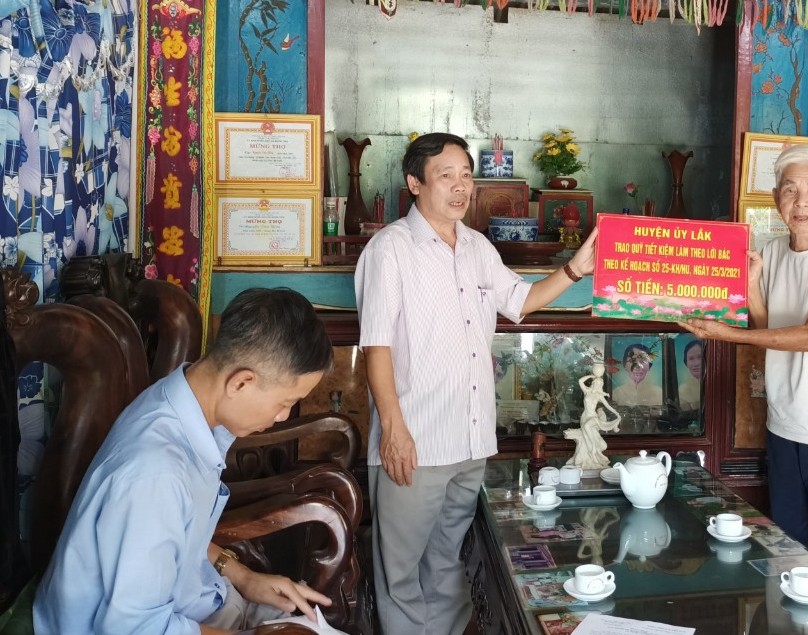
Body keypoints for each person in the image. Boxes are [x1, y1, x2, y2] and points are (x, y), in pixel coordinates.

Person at [354, 132, 597, 634]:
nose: (461, 186)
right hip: (415, 442)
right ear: (415, 183)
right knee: (401, 574)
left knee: (447, 561)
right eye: (447, 176)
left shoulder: (477, 247)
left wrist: (575, 269)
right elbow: (376, 346)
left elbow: (521, 301)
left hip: (469, 440)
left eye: (466, 175)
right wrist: (393, 430)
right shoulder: (390, 249)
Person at [34, 288, 335, 634]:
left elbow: (178, 534)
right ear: (241, 383)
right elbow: (136, 629)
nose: (283, 416)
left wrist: (243, 576)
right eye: (285, 402)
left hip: (200, 601)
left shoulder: (181, 405)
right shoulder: (156, 474)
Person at [682, 143, 808, 593]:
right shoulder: (772, 252)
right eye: (790, 190)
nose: (801, 201)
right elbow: (769, 328)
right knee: (791, 555)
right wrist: (752, 288)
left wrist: (727, 334)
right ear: (776, 199)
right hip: (786, 426)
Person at [677, 338, 704, 410]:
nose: (696, 363)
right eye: (691, 359)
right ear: (686, 363)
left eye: (700, 357)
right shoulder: (682, 391)